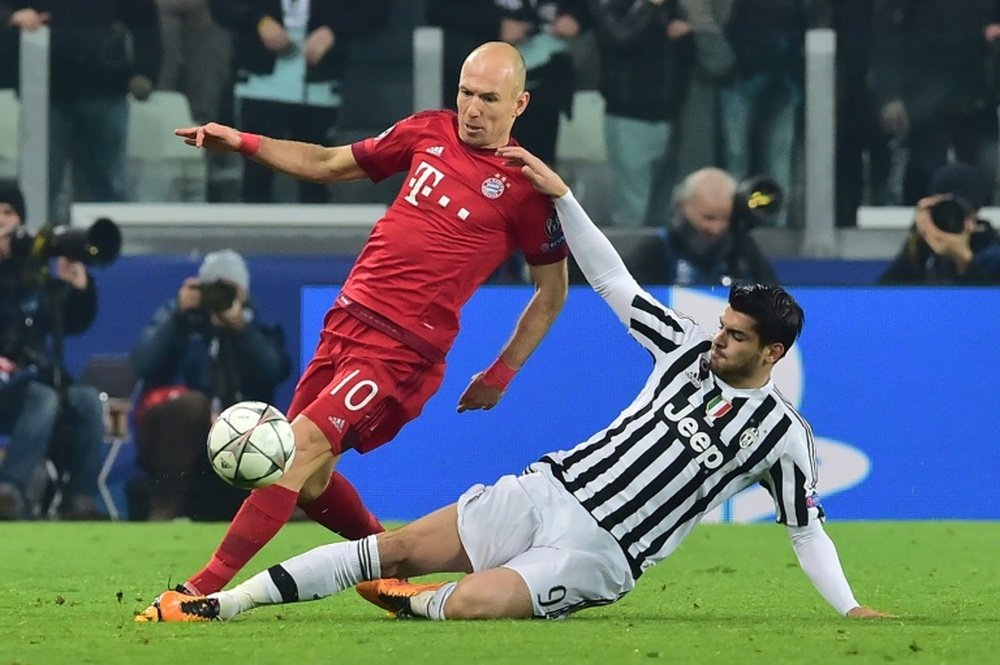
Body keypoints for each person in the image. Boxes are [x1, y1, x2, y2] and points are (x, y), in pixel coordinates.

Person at [137, 146, 891, 624]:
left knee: (472, 603)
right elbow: (612, 281)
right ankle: (218, 603)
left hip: (602, 551)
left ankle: (419, 606)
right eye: (720, 325)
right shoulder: (684, 348)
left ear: (774, 352)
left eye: (734, 336)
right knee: (392, 549)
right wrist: (564, 194)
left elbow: (804, 527)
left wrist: (850, 605)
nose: (717, 338)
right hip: (546, 489)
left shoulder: (784, 437)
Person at [137, 41, 568, 611]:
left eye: (490, 98)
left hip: (402, 348)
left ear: (520, 104)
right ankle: (386, 569)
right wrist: (240, 142)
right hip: (347, 320)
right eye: (466, 93)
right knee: (310, 479)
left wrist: (502, 372)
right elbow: (326, 163)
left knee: (293, 455)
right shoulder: (426, 131)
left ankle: (200, 591)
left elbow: (552, 290)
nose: (473, 109)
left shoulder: (524, 186)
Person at [130, 249, 291, 521]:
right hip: (176, 437)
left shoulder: (258, 331)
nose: (219, 298)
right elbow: (143, 362)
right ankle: (165, 507)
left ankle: (284, 510)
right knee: (193, 405)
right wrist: (177, 314)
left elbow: (273, 370)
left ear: (243, 293)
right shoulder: (182, 324)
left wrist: (240, 329)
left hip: (238, 440)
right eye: (213, 288)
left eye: (228, 289)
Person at [208, 0, 390, 203]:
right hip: (257, 84)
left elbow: (375, 12)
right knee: (255, 178)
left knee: (315, 181)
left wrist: (334, 30)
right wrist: (258, 21)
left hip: (320, 86)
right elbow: (223, 6)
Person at [0, 179, 105, 520]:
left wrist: (79, 288)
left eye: (8, 212)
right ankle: (10, 491)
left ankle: (80, 498)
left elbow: (73, 323)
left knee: (87, 400)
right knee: (42, 398)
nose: (2, 221)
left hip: (30, 381)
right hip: (14, 390)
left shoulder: (34, 272)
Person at [1, 0, 162, 217]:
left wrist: (145, 71)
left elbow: (145, 21)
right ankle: (39, 248)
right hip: (44, 92)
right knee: (39, 188)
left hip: (105, 87)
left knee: (108, 185)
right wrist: (12, 15)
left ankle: (107, 247)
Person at [590, 0, 690, 228]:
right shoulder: (613, 4)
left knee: (664, 211)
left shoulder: (672, 6)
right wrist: (650, 6)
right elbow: (619, 37)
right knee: (631, 211)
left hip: (670, 115)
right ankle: (630, 263)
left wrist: (686, 32)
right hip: (629, 116)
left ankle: (658, 261)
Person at [878, 161, 1000, 285]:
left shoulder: (993, 254)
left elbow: (990, 302)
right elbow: (882, 296)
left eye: (957, 209)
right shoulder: (926, 252)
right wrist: (918, 239)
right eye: (942, 207)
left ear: (975, 212)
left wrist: (965, 261)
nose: (950, 215)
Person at [665, 167, 778, 286]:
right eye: (709, 218)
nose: (716, 229)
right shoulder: (656, 249)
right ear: (684, 207)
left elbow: (773, 296)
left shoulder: (743, 250)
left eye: (725, 219)